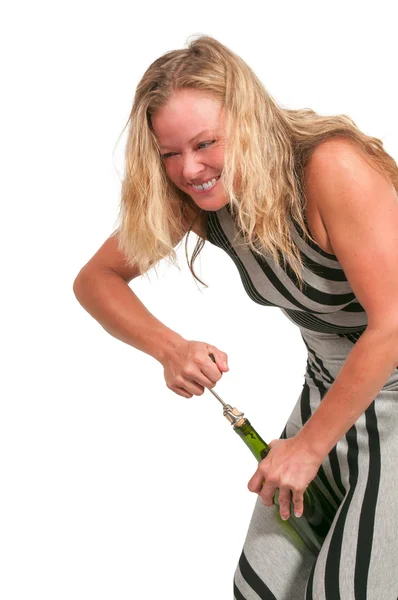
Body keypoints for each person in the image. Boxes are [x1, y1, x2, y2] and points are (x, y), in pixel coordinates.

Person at [73, 35, 398, 600]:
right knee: (266, 585)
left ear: (247, 121)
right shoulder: (196, 200)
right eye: (168, 153)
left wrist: (308, 446)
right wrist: (168, 347)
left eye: (204, 144)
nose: (189, 169)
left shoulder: (330, 166)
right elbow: (95, 280)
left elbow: (393, 324)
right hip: (331, 389)